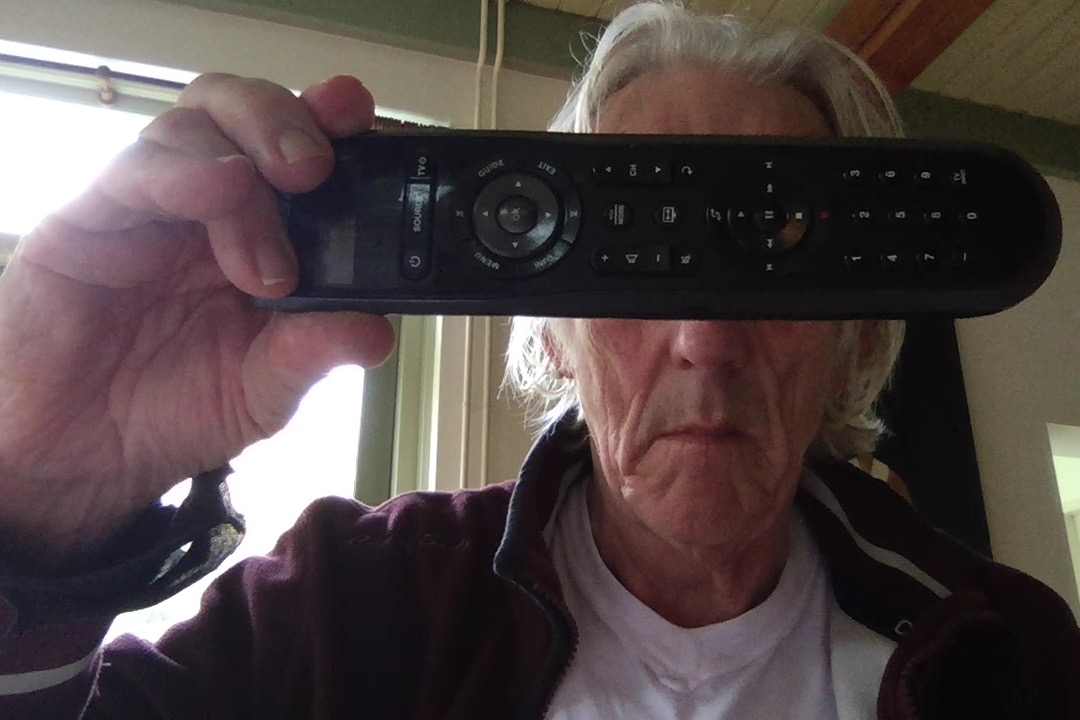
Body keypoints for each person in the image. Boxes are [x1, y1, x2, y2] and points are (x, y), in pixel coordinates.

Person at [0, 2, 1077, 718]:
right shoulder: (346, 606)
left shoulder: (1009, 654)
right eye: (630, 259)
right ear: (552, 336)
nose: (704, 339)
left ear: (858, 337)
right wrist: (46, 497)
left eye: (776, 255)